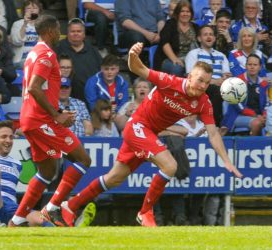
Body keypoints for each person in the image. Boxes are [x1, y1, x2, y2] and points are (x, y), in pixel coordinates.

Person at [59, 42, 242, 227]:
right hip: (137, 126)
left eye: (207, 82)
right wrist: (132, 54)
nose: (203, 86)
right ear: (189, 76)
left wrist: (226, 161)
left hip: (149, 133)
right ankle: (145, 212)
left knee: (114, 178)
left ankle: (71, 205)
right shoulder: (169, 82)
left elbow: (213, 134)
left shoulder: (203, 103)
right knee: (170, 165)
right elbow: (137, 68)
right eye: (200, 80)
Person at [9, 15, 96, 227]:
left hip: (30, 119)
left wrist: (57, 110)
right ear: (49, 31)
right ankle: (52, 207)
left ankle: (17, 221)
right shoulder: (47, 54)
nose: (60, 33)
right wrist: (56, 115)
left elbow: (40, 89)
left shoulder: (33, 54)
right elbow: (34, 87)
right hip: (42, 121)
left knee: (47, 172)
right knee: (83, 159)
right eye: (58, 29)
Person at [185, 25, 231, 127]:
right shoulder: (193, 54)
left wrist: (222, 81)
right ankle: (214, 126)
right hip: (200, 87)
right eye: (205, 34)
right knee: (215, 90)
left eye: (211, 34)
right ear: (199, 38)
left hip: (220, 86)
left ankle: (227, 126)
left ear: (214, 38)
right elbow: (190, 77)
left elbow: (227, 76)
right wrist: (213, 81)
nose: (209, 37)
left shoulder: (221, 56)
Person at [221, 54, 270, 136]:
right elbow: (238, 106)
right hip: (237, 116)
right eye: (250, 64)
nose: (252, 67)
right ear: (246, 66)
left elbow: (267, 103)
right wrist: (256, 115)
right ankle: (251, 146)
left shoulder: (263, 84)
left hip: (259, 116)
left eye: (255, 65)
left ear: (260, 67)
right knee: (257, 123)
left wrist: (265, 115)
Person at [56, 17, 102, 103]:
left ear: (84, 34)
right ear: (67, 33)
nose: (76, 34)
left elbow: (101, 73)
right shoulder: (58, 48)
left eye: (79, 31)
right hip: (64, 99)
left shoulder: (93, 50)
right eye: (73, 31)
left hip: (90, 99)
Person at [153, 0, 199, 76]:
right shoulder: (170, 24)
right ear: (177, 13)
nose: (185, 14)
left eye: (188, 12)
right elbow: (164, 43)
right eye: (182, 11)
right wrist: (174, 59)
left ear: (191, 14)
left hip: (191, 60)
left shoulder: (195, 27)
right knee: (177, 68)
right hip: (169, 59)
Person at [58, 54, 93, 137]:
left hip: (80, 142)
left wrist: (86, 138)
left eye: (66, 87)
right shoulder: (50, 104)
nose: (64, 90)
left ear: (70, 88)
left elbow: (88, 126)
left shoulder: (80, 104)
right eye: (61, 87)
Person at [10, 0, 42, 68]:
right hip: (21, 60)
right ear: (24, 11)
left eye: (35, 8)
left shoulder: (43, 25)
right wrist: (25, 24)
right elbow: (16, 42)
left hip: (38, 59)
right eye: (29, 8)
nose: (32, 10)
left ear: (39, 11)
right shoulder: (17, 24)